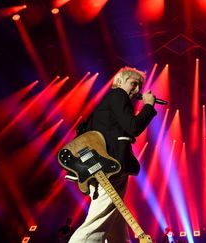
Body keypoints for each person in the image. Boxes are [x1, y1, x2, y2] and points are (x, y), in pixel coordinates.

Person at [68, 67, 157, 243]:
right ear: (120, 81)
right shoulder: (118, 95)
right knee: (96, 224)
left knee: (114, 222)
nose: (137, 90)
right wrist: (148, 106)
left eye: (139, 86)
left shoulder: (110, 103)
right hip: (110, 167)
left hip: (107, 166)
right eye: (133, 84)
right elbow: (133, 127)